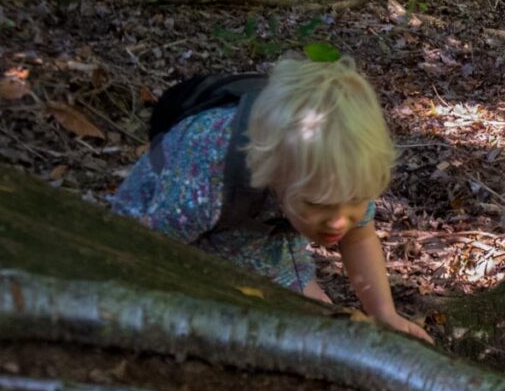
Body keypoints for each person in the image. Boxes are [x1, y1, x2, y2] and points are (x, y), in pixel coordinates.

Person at [111, 55, 432, 344]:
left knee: (325, 325)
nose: (339, 220)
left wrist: (384, 313)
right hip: (175, 232)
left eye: (354, 202)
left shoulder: (344, 170)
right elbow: (149, 248)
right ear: (279, 174)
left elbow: (359, 237)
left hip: (259, 230)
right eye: (318, 204)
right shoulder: (210, 168)